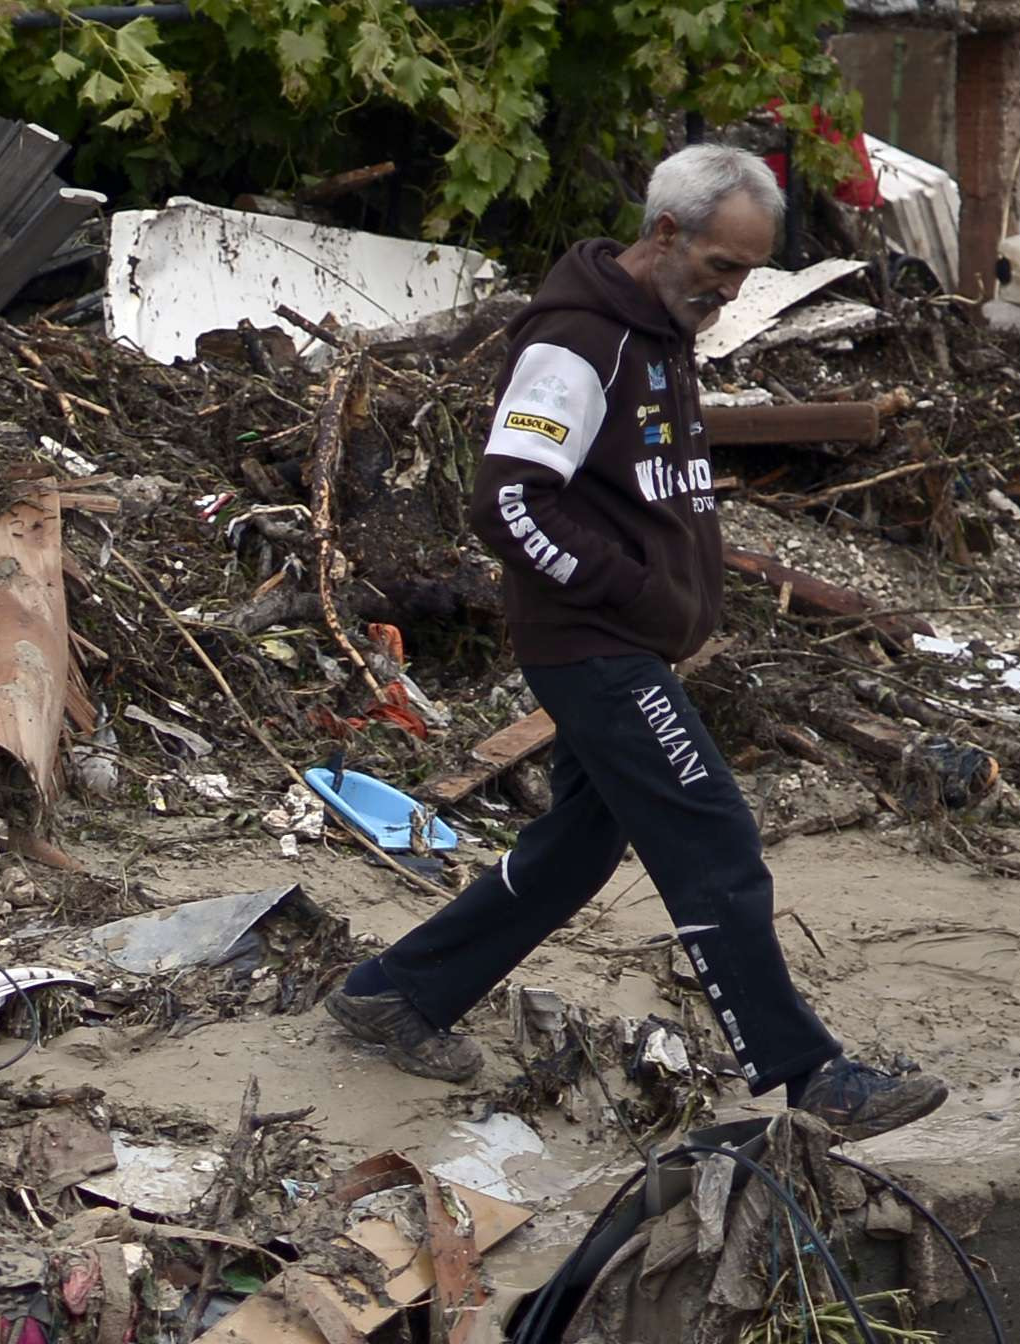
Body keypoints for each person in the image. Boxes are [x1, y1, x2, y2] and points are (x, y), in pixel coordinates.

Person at [336, 143, 948, 1137]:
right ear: (665, 233)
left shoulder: (660, 333)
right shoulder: (579, 343)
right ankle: (809, 1077)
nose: (731, 290)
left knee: (577, 849)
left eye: (747, 272)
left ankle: (393, 995)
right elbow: (510, 504)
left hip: (620, 645)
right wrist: (628, 595)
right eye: (720, 266)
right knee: (712, 839)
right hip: (593, 647)